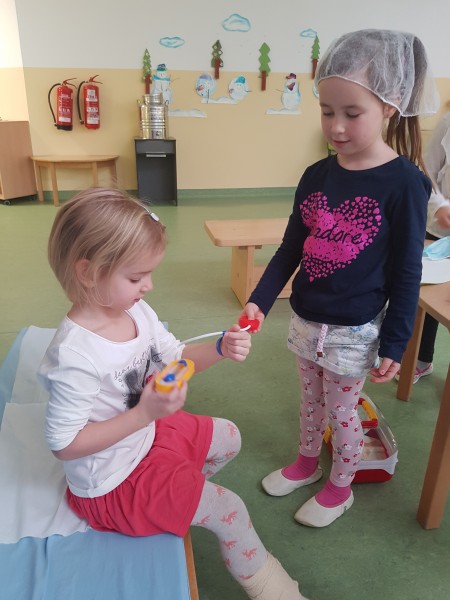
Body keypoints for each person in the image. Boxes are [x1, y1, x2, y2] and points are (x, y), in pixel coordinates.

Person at [38, 188, 309, 600]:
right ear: (88, 272)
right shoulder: (75, 355)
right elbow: (64, 444)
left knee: (230, 436)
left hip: (145, 438)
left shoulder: (134, 310)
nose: (148, 286)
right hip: (112, 483)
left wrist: (220, 348)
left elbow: (176, 357)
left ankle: (176, 495)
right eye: (135, 277)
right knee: (229, 508)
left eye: (149, 274)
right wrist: (144, 414)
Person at [241, 29, 439, 528]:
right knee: (310, 403)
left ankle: (340, 487)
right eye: (327, 111)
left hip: (354, 331)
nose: (336, 126)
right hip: (306, 319)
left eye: (352, 113)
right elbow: (291, 248)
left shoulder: (406, 184)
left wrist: (396, 341)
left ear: (389, 107)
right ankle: (307, 464)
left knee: (343, 413)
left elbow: (407, 271)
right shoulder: (316, 175)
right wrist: (259, 299)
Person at [404, 111, 450, 382]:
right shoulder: (448, 122)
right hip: (439, 229)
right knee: (427, 296)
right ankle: (421, 358)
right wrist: (440, 205)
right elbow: (427, 169)